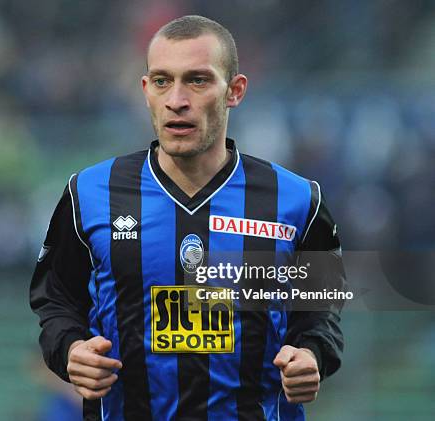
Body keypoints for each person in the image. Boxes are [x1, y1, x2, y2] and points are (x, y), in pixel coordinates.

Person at [30, 15, 345, 421]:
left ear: (234, 91)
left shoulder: (298, 200)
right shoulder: (90, 193)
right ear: (146, 90)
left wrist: (311, 356)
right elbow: (55, 301)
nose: (176, 99)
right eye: (162, 81)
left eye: (197, 80)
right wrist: (72, 350)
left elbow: (321, 314)